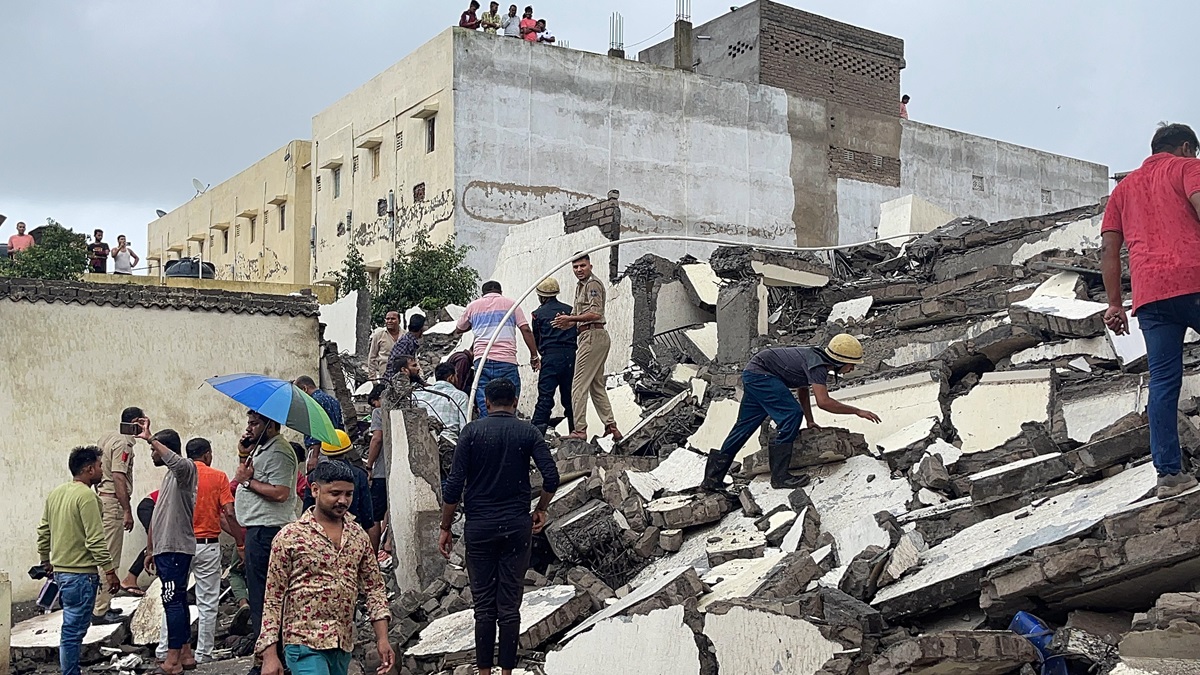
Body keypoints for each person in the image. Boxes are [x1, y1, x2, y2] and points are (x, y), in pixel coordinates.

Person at [1102, 123, 1200, 499]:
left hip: (1151, 296)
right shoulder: (1186, 168)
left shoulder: (1123, 189)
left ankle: (1169, 475)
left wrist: (1114, 303)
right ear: (1186, 147)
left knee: (1162, 383)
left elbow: (1109, 251)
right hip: (1195, 279)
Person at [440, 378, 559, 675]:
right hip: (516, 528)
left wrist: (445, 527)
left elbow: (453, 487)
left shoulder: (471, 433)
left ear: (486, 403)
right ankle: (506, 672)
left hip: (479, 528)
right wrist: (541, 508)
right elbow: (552, 477)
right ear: (516, 402)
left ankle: (483, 672)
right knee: (509, 605)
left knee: (484, 607)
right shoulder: (528, 432)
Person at [257, 461, 393, 675]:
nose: (343, 500)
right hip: (303, 643)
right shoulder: (290, 537)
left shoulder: (358, 537)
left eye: (348, 494)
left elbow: (374, 588)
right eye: (335, 493)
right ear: (315, 490)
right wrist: (269, 654)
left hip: (342, 644)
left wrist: (383, 639)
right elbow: (273, 597)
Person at [700, 335, 882, 492]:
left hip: (753, 373)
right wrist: (857, 411)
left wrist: (810, 420)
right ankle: (780, 477)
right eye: (852, 365)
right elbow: (824, 402)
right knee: (792, 415)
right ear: (841, 361)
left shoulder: (815, 358)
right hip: (761, 375)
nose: (852, 369)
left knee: (743, 428)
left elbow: (802, 389)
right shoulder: (818, 365)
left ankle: (712, 480)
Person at [156, 438, 242, 664]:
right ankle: (203, 653)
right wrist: (240, 541)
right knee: (207, 602)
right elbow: (228, 513)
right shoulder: (218, 477)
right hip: (207, 544)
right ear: (207, 455)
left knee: (173, 599)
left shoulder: (178, 475)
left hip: (179, 546)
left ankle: (165, 648)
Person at [37, 446, 121, 675]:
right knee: (74, 631)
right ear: (89, 469)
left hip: (62, 573)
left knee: (71, 628)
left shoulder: (56, 493)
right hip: (81, 575)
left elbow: (44, 531)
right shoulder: (87, 497)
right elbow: (95, 540)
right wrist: (110, 571)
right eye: (100, 465)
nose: (102, 469)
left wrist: (45, 560)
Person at [232, 410, 300, 669]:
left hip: (268, 531)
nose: (249, 428)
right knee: (260, 594)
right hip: (257, 529)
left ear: (270, 425)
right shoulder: (262, 448)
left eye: (254, 423)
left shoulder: (279, 451)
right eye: (248, 422)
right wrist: (242, 453)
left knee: (265, 596)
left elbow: (281, 492)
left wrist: (247, 482)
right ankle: (269, 656)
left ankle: (271, 659)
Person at [138, 422, 198, 675]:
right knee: (178, 601)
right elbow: (157, 517)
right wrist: (150, 549)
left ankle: (172, 660)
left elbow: (177, 461)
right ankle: (185, 653)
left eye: (154, 450)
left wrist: (150, 438)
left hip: (175, 549)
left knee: (171, 602)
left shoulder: (185, 471)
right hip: (165, 549)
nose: (152, 454)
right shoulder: (168, 478)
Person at [553, 255, 620, 441]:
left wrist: (571, 320)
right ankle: (611, 426)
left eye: (582, 265)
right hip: (589, 335)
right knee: (596, 385)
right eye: (575, 266)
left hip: (592, 336)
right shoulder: (580, 286)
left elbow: (595, 312)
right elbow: (578, 314)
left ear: (590, 265)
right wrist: (566, 322)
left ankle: (580, 430)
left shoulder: (592, 284)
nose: (579, 269)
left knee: (578, 385)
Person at [455, 280, 540, 416]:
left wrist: (476, 323)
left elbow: (459, 328)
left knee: (483, 398)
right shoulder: (511, 305)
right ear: (500, 292)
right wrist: (534, 355)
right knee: (511, 396)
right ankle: (509, 425)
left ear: (483, 294)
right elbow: (525, 329)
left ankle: (487, 428)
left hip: (482, 360)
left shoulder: (473, 306)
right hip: (507, 360)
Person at [93, 406, 143, 623]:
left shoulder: (108, 438)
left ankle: (103, 603)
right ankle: (100, 610)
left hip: (102, 498)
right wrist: (126, 509)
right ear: (135, 422)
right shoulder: (124, 443)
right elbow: (118, 476)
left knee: (102, 554)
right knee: (110, 557)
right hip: (113, 500)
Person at [302, 430, 375, 534]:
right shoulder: (359, 475)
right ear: (347, 450)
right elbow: (366, 511)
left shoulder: (314, 475)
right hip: (352, 531)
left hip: (318, 530)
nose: (342, 500)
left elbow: (307, 507)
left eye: (348, 494)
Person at [530, 278, 576, 433]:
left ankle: (536, 434)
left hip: (550, 357)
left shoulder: (537, 314)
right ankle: (575, 431)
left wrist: (541, 354)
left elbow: (537, 338)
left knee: (545, 397)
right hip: (570, 356)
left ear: (541, 296)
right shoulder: (570, 311)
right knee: (570, 397)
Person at [415, 362, 472, 481]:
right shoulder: (460, 396)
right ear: (451, 377)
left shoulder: (419, 394)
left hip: (423, 446)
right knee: (448, 482)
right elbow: (465, 429)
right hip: (449, 447)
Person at [294, 376, 344, 474]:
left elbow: (316, 430)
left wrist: (314, 456)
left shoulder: (313, 402)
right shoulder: (332, 400)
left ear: (304, 388)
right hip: (334, 450)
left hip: (319, 451)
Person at [365, 385, 388, 551]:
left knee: (373, 516)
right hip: (400, 471)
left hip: (382, 471)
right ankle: (386, 546)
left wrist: (369, 465)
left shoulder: (379, 413)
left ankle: (372, 556)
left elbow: (377, 439)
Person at [119, 492, 155, 595]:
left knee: (158, 544)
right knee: (155, 543)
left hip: (152, 505)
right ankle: (130, 578)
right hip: (149, 505)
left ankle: (130, 578)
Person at [384, 314, 427, 380]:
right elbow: (396, 366)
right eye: (424, 326)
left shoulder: (411, 341)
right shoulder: (405, 342)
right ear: (420, 328)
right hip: (395, 381)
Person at [367, 311, 402, 380]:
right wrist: (372, 378)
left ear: (399, 321)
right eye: (387, 319)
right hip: (385, 376)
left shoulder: (405, 335)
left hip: (403, 376)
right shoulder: (378, 336)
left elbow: (413, 357)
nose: (389, 321)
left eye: (393, 319)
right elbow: (372, 358)